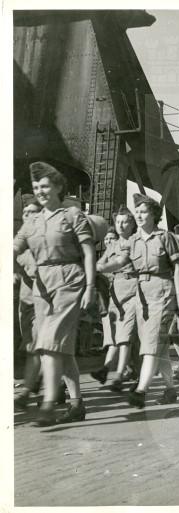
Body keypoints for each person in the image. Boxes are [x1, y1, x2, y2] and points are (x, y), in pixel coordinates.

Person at [13, 162, 97, 426]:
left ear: (58, 187)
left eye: (45, 186)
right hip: (42, 286)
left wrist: (90, 287)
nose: (40, 191)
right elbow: (13, 249)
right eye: (36, 187)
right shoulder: (32, 222)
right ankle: (77, 404)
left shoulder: (72, 215)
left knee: (49, 344)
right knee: (61, 348)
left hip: (69, 280)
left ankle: (48, 405)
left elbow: (88, 253)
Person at [100, 194, 179, 408]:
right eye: (137, 211)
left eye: (143, 211)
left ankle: (141, 390)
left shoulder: (165, 237)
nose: (138, 215)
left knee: (151, 342)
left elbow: (177, 269)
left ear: (154, 214)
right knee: (159, 346)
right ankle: (170, 389)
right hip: (142, 296)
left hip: (163, 291)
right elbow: (120, 261)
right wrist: (99, 267)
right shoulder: (133, 240)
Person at [93, 207, 138, 392]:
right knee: (117, 335)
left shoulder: (136, 242)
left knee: (125, 334)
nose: (120, 225)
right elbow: (101, 261)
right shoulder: (112, 245)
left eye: (124, 221)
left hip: (133, 289)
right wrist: (95, 266)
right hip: (116, 292)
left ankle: (119, 374)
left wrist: (98, 268)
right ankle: (124, 371)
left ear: (132, 224)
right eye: (118, 222)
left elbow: (117, 263)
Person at [14, 200, 45, 410]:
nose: (26, 215)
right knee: (31, 346)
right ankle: (52, 385)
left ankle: (28, 391)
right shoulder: (18, 240)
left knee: (39, 346)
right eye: (24, 211)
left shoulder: (44, 238)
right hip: (26, 302)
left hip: (45, 300)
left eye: (32, 212)